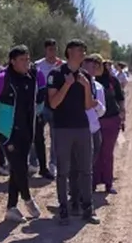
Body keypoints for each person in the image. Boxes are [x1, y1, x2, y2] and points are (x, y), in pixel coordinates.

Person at [0, 46, 43, 222]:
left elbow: (39, 97)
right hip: (6, 131)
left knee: (18, 169)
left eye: (28, 59)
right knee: (19, 167)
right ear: (13, 61)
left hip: (26, 130)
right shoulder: (1, 79)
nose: (27, 63)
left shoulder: (31, 77)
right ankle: (27, 198)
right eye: (23, 60)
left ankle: (11, 208)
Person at [47, 39, 100, 225]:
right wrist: (67, 85)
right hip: (62, 128)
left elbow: (87, 105)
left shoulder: (86, 75)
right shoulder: (56, 74)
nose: (82, 54)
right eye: (79, 50)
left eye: (84, 50)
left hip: (82, 128)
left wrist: (86, 87)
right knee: (63, 171)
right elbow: (53, 104)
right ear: (69, 51)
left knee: (86, 170)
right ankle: (63, 209)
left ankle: (88, 209)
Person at [75, 54, 106, 199]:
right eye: (88, 66)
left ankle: (83, 190)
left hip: (94, 128)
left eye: (94, 66)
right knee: (76, 162)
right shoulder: (75, 84)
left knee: (91, 161)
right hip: (77, 127)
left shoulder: (99, 87)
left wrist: (96, 105)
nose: (91, 69)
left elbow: (102, 111)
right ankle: (75, 192)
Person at [32, 39, 63, 178]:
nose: (52, 52)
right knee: (36, 134)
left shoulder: (62, 65)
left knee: (55, 136)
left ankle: (53, 164)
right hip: (41, 104)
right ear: (45, 50)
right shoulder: (37, 65)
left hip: (57, 105)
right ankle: (33, 162)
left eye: (54, 49)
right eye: (50, 49)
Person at [94, 59, 125, 193]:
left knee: (107, 152)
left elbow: (120, 98)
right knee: (95, 153)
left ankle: (108, 183)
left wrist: (123, 116)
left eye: (106, 65)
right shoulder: (90, 81)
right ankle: (92, 182)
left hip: (112, 120)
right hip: (95, 121)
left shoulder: (113, 81)